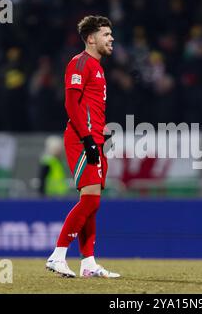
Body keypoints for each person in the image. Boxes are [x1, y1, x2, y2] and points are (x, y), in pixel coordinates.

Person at [45, 16, 119, 278]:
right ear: (91, 38)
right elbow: (71, 104)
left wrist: (100, 133)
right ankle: (58, 255)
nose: (111, 39)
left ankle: (88, 263)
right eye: (106, 34)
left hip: (94, 138)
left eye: (111, 34)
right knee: (89, 200)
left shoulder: (98, 68)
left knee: (93, 203)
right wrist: (88, 138)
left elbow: (89, 106)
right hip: (81, 139)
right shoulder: (80, 63)